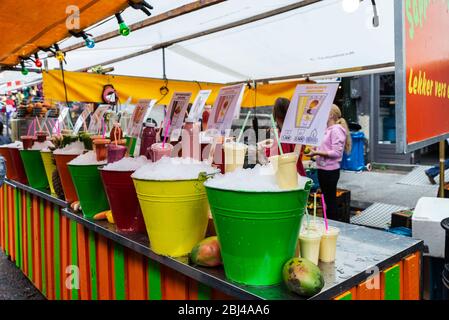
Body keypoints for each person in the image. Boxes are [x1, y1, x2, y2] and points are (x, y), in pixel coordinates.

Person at [309, 104, 352, 222]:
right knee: (326, 200)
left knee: (330, 201)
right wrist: (315, 152)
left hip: (330, 171)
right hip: (322, 169)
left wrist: (318, 153)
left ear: (331, 115)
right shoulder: (326, 130)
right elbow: (324, 147)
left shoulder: (336, 130)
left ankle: (333, 225)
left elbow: (337, 153)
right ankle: (328, 224)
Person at [258, 97, 307, 177]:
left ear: (275, 114)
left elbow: (271, 164)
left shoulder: (279, 137)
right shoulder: (297, 133)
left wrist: (260, 151)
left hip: (285, 179)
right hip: (299, 176)